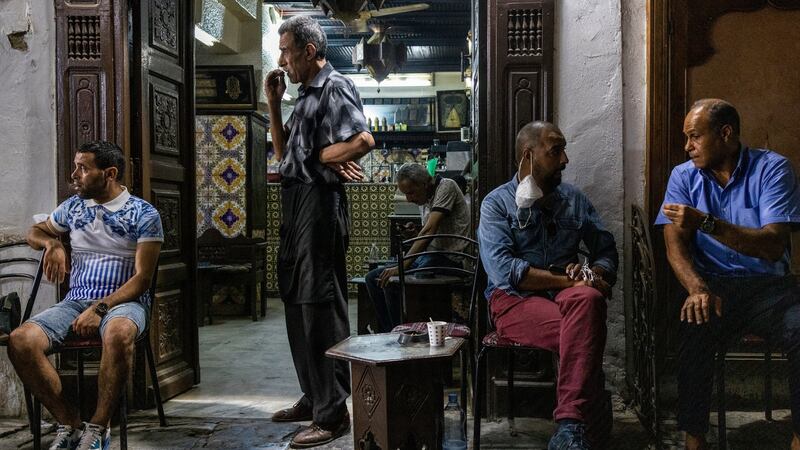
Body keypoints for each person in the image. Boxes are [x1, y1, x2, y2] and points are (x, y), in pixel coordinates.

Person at [655, 99, 800, 450]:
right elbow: (673, 243)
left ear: (725, 133)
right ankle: (694, 439)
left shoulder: (772, 169)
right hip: (714, 285)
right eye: (686, 138)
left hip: (770, 287)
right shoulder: (682, 176)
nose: (687, 147)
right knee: (694, 325)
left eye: (694, 137)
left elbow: (771, 246)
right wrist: (696, 288)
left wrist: (705, 222)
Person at [263, 15, 374, 449]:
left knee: (319, 306)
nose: (282, 59)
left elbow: (363, 141)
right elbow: (284, 153)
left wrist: (324, 156)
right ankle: (313, 396)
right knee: (295, 298)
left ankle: (332, 415)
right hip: (295, 202)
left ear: (309, 51)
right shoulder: (304, 95)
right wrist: (274, 103)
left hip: (319, 207)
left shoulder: (334, 86)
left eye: (287, 50)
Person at [8, 141, 163, 450]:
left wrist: (101, 308)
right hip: (75, 302)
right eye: (76, 166)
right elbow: (35, 232)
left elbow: (142, 280)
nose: (74, 174)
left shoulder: (144, 214)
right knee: (20, 340)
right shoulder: (74, 206)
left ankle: (99, 427)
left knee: (118, 333)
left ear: (109, 173)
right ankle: (70, 423)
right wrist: (53, 244)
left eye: (83, 168)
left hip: (125, 304)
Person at [477, 121, 618, 450]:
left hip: (568, 297)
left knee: (589, 302)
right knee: (584, 331)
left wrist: (596, 273)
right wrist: (571, 278)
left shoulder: (574, 200)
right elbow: (506, 272)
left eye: (564, 150)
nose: (566, 159)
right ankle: (588, 415)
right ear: (529, 155)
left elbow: (606, 249)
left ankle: (569, 425)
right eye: (556, 151)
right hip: (514, 301)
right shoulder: (496, 204)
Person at [365, 163, 471, 332]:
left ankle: (401, 330)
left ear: (424, 183)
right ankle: (390, 331)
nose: (408, 199)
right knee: (373, 278)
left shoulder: (446, 186)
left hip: (451, 259)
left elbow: (429, 231)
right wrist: (414, 235)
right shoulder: (426, 199)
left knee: (397, 280)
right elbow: (428, 234)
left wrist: (402, 266)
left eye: (411, 192)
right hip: (430, 256)